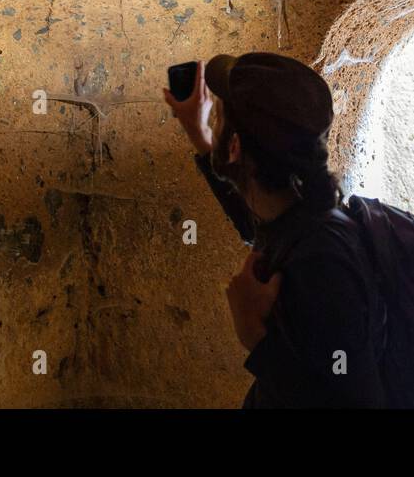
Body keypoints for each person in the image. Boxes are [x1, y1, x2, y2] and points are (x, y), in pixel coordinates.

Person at [163, 52, 387, 407]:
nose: (215, 117)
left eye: (220, 115)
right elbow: (255, 222)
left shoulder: (323, 261)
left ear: (235, 146)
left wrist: (254, 335)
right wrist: (203, 136)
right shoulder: (302, 216)